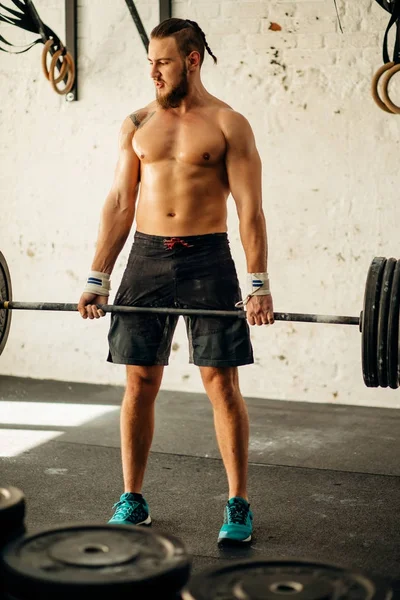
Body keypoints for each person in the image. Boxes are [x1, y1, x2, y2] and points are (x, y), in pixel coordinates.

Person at [78, 18, 274, 546]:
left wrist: (257, 283)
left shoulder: (229, 124)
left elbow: (250, 210)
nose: (153, 73)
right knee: (140, 381)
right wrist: (99, 275)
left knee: (221, 384)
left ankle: (238, 503)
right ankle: (133, 498)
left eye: (162, 62)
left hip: (208, 258)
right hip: (146, 257)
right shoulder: (137, 124)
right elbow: (120, 204)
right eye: (149, 63)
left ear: (192, 60)